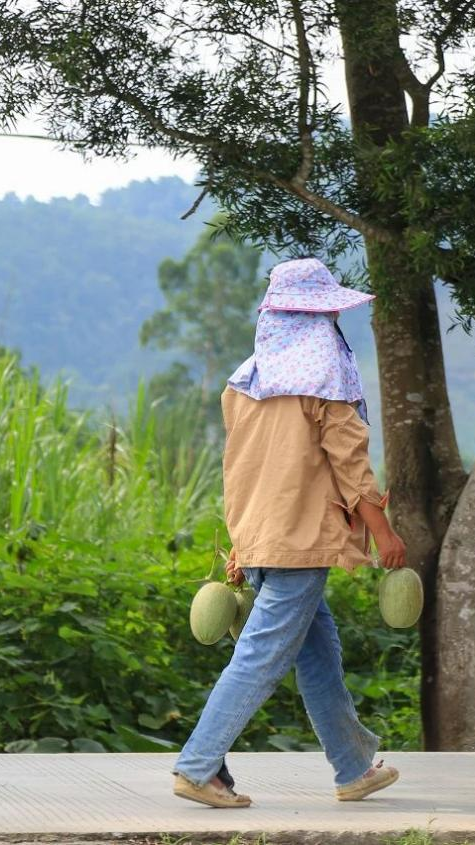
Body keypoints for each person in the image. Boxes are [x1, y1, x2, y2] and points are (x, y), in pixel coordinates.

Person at [172, 257, 407, 808]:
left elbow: (242, 470)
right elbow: (351, 464)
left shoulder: (243, 384)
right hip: (298, 546)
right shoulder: (326, 383)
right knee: (260, 657)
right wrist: (384, 532)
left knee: (319, 652)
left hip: (261, 538)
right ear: (320, 318)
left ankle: (353, 768)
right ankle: (197, 766)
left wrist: (241, 544)